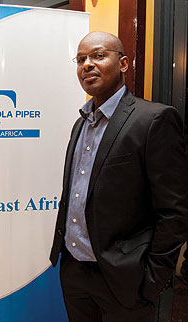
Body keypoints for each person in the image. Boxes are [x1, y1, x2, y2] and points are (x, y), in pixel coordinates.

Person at [49, 31, 188, 322]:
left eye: (98, 56)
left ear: (123, 64)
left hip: (126, 279)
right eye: (81, 59)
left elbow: (174, 211)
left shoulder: (153, 120)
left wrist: (151, 281)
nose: (87, 65)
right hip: (75, 273)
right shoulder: (81, 123)